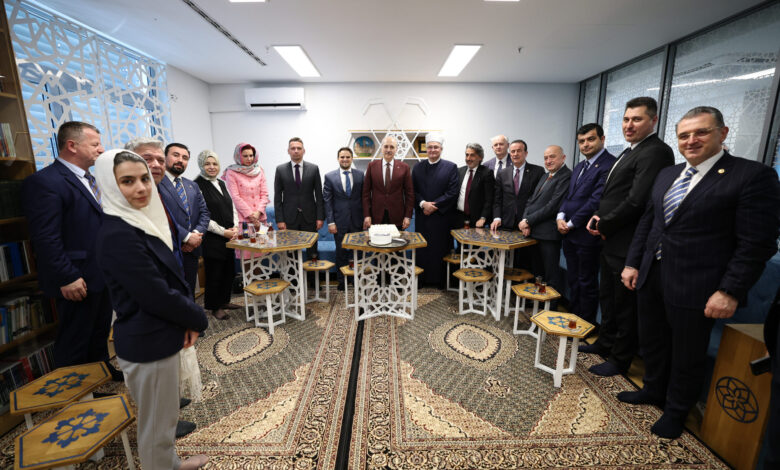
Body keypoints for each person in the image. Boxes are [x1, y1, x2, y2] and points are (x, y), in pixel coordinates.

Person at [618, 106, 780, 439]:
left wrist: (730, 290)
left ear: (723, 133)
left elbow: (757, 243)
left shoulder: (751, 176)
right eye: (684, 135)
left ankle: (677, 411)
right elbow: (650, 222)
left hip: (699, 284)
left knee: (687, 352)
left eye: (701, 132)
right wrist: (633, 263)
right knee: (653, 340)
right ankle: (653, 389)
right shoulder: (668, 174)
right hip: (652, 274)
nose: (691, 140)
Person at [94, 149, 208, 470]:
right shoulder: (117, 233)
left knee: (164, 415)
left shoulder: (138, 220)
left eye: (144, 178)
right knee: (156, 424)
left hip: (160, 332)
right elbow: (155, 294)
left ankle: (169, 463)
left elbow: (169, 276)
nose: (141, 187)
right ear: (110, 185)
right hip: (147, 340)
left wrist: (185, 321)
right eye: (127, 181)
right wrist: (197, 317)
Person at [582, 96, 674, 378]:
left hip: (629, 243)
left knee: (625, 306)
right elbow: (613, 194)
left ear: (653, 121)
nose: (629, 125)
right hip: (611, 239)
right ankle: (605, 343)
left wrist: (604, 223)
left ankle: (620, 359)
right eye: (625, 119)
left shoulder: (656, 152)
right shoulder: (629, 151)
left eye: (637, 119)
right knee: (608, 299)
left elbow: (637, 200)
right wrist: (599, 218)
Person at [21, 121, 121, 379]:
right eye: (95, 144)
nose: (101, 149)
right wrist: (67, 276)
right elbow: (45, 237)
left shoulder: (91, 179)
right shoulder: (45, 182)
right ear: (72, 146)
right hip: (76, 277)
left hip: (101, 273)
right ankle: (78, 390)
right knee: (76, 338)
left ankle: (101, 374)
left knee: (99, 331)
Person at [126, 137, 198, 438]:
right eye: (148, 159)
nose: (156, 164)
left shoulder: (156, 192)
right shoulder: (130, 202)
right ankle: (162, 424)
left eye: (158, 159)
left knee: (168, 354)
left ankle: (169, 404)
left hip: (169, 282)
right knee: (154, 359)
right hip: (149, 295)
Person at [557, 123, 616, 324]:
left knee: (586, 282)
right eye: (581, 141)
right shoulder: (580, 166)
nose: (585, 144)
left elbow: (595, 201)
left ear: (602, 139)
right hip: (569, 234)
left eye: (591, 139)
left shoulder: (609, 165)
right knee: (573, 279)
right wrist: (560, 217)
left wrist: (571, 223)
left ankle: (585, 325)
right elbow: (569, 196)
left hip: (587, 236)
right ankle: (573, 319)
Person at [158, 143, 210, 295]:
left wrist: (195, 235)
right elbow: (160, 217)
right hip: (170, 249)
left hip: (192, 250)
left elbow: (205, 213)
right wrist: (186, 237)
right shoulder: (157, 183)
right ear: (165, 157)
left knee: (189, 292)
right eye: (176, 155)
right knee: (173, 296)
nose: (180, 160)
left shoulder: (192, 185)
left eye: (185, 158)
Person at [519, 145, 571, 297]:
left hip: (549, 235)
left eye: (552, 157)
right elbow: (531, 200)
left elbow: (553, 206)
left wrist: (528, 221)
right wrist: (525, 220)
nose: (548, 161)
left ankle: (550, 307)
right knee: (537, 272)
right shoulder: (545, 176)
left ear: (563, 158)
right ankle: (538, 303)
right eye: (546, 158)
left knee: (551, 275)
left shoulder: (566, 176)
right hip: (534, 232)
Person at [194, 150, 240, 320]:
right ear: (201, 165)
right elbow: (202, 215)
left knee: (229, 270)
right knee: (215, 272)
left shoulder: (221, 183)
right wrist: (223, 232)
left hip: (229, 236)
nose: (212, 167)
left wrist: (235, 227)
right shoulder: (196, 185)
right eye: (207, 164)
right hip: (213, 237)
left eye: (214, 164)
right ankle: (215, 306)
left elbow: (232, 206)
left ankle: (225, 301)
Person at [411, 133, 459, 288]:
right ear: (426, 149)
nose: (432, 150)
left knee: (440, 248)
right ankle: (421, 280)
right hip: (423, 217)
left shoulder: (451, 167)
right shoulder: (417, 167)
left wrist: (434, 206)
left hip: (441, 217)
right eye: (430, 147)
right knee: (422, 249)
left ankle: (440, 281)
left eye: (436, 147)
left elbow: (452, 192)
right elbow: (413, 191)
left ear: (441, 149)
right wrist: (423, 204)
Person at [274, 137, 325, 257]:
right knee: (291, 253)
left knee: (312, 252)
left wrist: (320, 217)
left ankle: (312, 270)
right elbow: (277, 197)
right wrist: (280, 220)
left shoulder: (314, 168)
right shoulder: (280, 170)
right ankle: (293, 270)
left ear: (304, 151)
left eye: (299, 148)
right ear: (288, 151)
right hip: (289, 218)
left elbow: (319, 195)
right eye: (293, 148)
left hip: (310, 217)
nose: (296, 151)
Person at [323, 147, 364, 289]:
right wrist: (330, 222)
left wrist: (366, 217)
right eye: (342, 157)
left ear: (352, 158)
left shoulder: (360, 175)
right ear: (338, 159)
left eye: (347, 157)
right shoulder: (329, 177)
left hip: (357, 221)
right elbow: (327, 201)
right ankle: (342, 281)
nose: (345, 159)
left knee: (357, 252)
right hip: (339, 221)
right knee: (341, 252)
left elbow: (364, 198)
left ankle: (357, 279)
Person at [490, 139, 544, 232]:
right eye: (513, 151)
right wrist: (497, 218)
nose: (515, 154)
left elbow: (539, 200)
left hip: (527, 224)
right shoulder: (502, 173)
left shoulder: (538, 171)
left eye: (519, 151)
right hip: (505, 223)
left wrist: (529, 220)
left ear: (526, 153)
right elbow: (497, 199)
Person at [362, 135, 414, 230]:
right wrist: (367, 215)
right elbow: (366, 194)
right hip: (376, 216)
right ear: (381, 148)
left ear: (396, 149)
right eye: (386, 146)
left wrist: (408, 216)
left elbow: (409, 194)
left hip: (398, 216)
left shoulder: (405, 168)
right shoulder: (371, 166)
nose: (388, 150)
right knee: (376, 239)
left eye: (392, 147)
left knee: (397, 239)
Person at [223, 142, 270, 230]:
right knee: (246, 239)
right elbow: (235, 197)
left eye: (251, 155)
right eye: (245, 156)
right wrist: (251, 215)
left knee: (264, 238)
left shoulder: (259, 170)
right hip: (244, 220)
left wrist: (258, 212)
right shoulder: (231, 172)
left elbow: (265, 194)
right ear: (238, 156)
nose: (249, 159)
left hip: (261, 218)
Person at [455, 143, 494, 229]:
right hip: (459, 217)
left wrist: (483, 218)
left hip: (477, 220)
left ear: (480, 157)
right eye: (467, 155)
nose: (468, 158)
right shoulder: (459, 171)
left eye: (472, 155)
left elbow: (489, 199)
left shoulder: (487, 173)